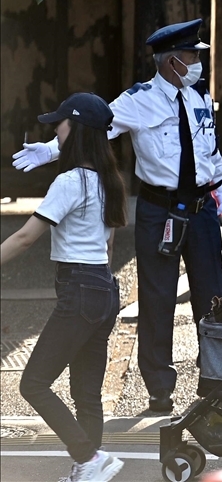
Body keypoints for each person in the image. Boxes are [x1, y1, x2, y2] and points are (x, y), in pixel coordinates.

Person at [15, 19, 222, 414]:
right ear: (170, 62)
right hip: (158, 209)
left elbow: (212, 154)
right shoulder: (138, 100)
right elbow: (91, 130)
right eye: (191, 55)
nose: (197, 62)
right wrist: (48, 151)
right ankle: (159, 391)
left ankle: (216, 385)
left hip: (201, 210)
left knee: (212, 300)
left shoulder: (200, 97)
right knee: (157, 299)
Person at [3, 94, 127, 482]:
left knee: (34, 383)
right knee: (86, 393)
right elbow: (108, 245)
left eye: (60, 123)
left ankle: (89, 457)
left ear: (74, 131)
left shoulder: (70, 182)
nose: (54, 129)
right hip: (104, 290)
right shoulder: (108, 180)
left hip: (79, 290)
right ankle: (88, 469)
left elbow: (25, 237)